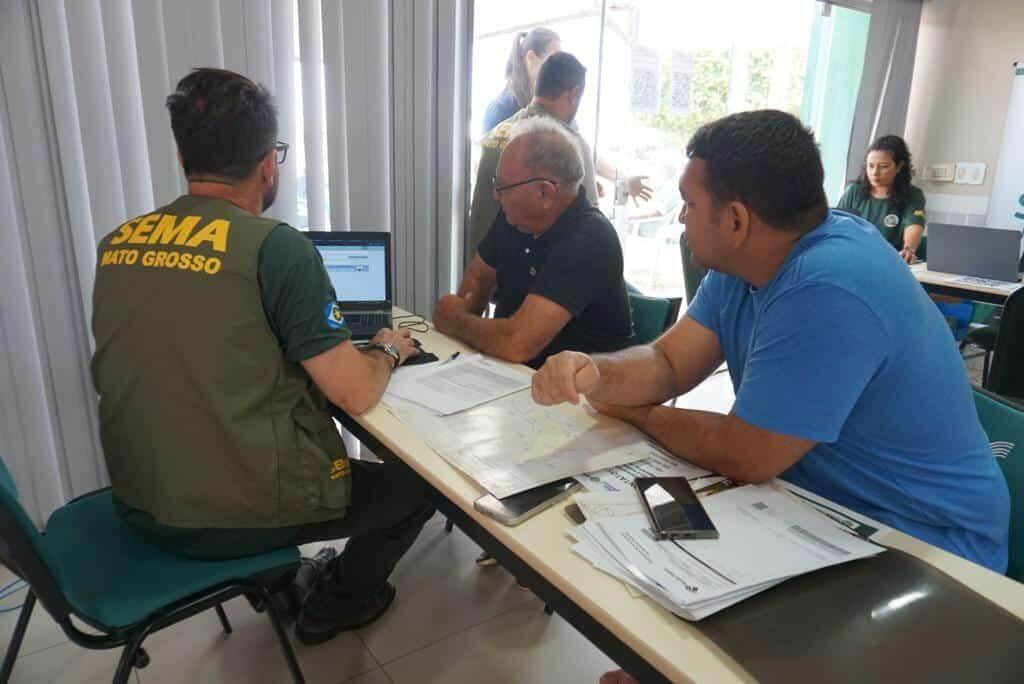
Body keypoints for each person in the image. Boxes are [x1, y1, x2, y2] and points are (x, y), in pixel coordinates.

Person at [532, 110, 1010, 577]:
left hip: (926, 546)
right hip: (819, 508)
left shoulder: (830, 284)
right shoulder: (745, 263)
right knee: (643, 573)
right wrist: (595, 373)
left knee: (678, 601)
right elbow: (668, 362)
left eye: (691, 204)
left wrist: (639, 412)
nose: (681, 217)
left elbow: (746, 453)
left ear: (737, 220)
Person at [91, 68, 435, 645]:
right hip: (223, 519)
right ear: (268, 162)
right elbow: (353, 391)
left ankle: (280, 584)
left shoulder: (119, 242)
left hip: (140, 499)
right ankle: (337, 603)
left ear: (182, 155)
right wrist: (386, 350)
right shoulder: (278, 249)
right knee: (419, 487)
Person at [436, 116, 635, 369]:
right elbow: (479, 278)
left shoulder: (589, 239)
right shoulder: (514, 216)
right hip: (515, 377)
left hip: (579, 398)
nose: (495, 196)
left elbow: (517, 343)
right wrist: (465, 313)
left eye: (502, 186)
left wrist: (457, 321)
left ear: (544, 193)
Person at [469, 51, 653, 263]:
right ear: (574, 94)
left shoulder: (497, 134)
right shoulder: (568, 146)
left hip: (482, 271)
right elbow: (590, 229)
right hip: (539, 278)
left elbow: (480, 222)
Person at [837, 135, 926, 263]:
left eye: (883, 166)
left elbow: (914, 224)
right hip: (852, 258)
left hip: (889, 262)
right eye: (870, 166)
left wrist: (908, 249)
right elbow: (837, 225)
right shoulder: (854, 191)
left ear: (899, 166)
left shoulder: (913, 195)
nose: (875, 172)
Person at [482, 27, 561, 135]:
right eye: (554, 60)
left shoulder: (552, 105)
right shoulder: (501, 110)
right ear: (531, 58)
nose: (560, 67)